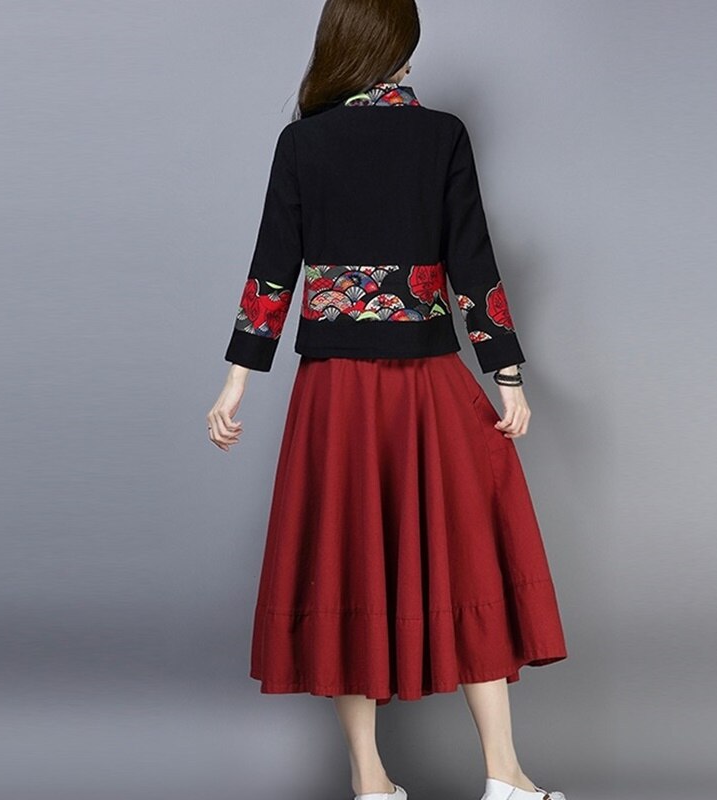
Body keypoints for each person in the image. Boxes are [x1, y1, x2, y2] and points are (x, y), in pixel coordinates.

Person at [207, 2, 568, 799]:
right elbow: (473, 259)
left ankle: (371, 782)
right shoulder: (441, 136)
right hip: (428, 382)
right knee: (468, 556)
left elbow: (272, 270)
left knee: (347, 564)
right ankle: (504, 777)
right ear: (402, 46)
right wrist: (505, 373)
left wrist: (237, 380)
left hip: (333, 392)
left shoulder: (303, 143)